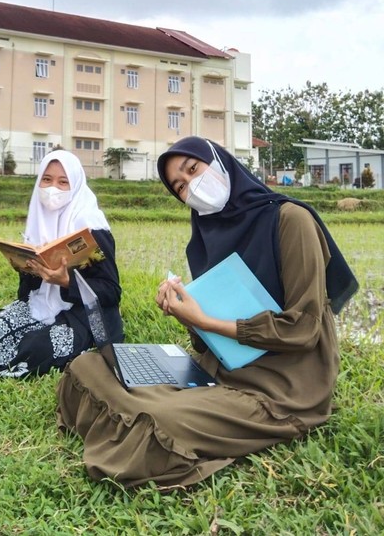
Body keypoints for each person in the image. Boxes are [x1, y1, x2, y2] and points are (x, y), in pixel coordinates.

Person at [56, 136, 358, 489]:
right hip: (219, 372)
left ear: (220, 162)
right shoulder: (205, 238)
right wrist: (188, 316)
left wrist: (204, 320)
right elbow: (208, 343)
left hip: (280, 390)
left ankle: (147, 414)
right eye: (180, 186)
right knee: (87, 366)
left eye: (193, 169)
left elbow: (304, 329)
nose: (191, 187)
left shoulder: (290, 220)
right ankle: (152, 407)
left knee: (158, 423)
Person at [0, 150, 123, 377]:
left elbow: (112, 291)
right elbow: (26, 293)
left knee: (35, 348)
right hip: (40, 306)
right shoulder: (37, 220)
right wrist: (27, 267)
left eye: (63, 182)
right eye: (47, 180)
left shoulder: (90, 225)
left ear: (76, 185)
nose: (52, 189)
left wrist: (67, 282)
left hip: (85, 315)